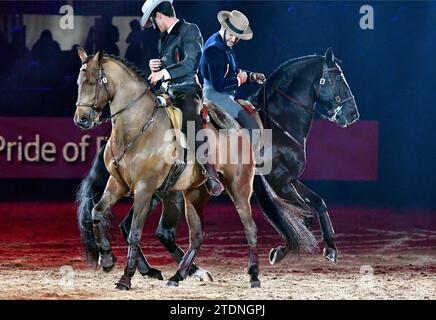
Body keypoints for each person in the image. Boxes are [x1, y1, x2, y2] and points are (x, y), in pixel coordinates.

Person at [141, 0, 224, 196]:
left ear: (159, 16)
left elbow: (191, 63)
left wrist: (163, 73)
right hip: (167, 92)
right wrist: (158, 68)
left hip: (187, 90)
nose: (154, 27)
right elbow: (168, 67)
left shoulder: (190, 30)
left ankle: (210, 172)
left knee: (189, 118)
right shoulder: (163, 39)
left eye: (153, 22)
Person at [199, 10, 266, 147]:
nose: (233, 40)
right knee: (252, 128)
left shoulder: (225, 43)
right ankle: (249, 166)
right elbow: (218, 85)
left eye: (237, 37)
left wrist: (251, 76)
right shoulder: (214, 49)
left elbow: (233, 71)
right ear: (223, 27)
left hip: (225, 94)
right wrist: (240, 80)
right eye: (231, 35)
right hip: (216, 96)